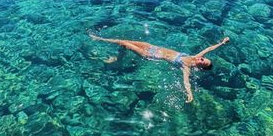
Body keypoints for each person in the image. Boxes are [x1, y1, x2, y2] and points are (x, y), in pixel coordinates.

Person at [89, 33, 230, 103]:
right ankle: (111, 51)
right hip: (152, 47)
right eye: (203, 59)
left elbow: (186, 82)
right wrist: (222, 43)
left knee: (124, 43)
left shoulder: (186, 66)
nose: (201, 59)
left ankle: (110, 52)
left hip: (148, 55)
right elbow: (209, 48)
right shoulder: (195, 56)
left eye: (202, 62)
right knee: (124, 42)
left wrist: (190, 94)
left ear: (200, 67)